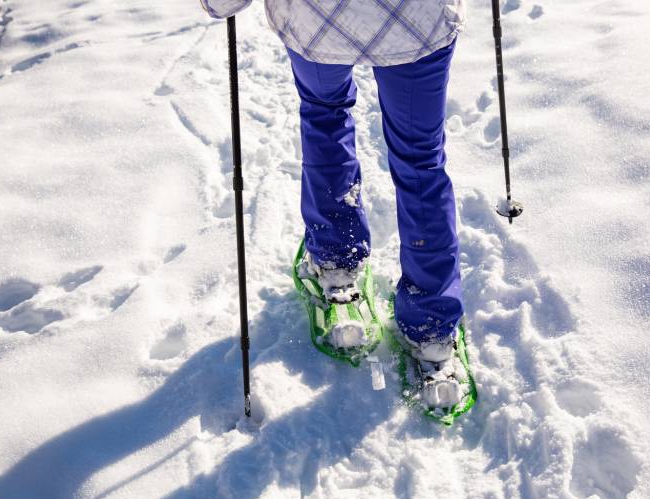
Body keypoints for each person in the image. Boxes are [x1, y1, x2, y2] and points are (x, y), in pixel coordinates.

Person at [200, 0, 468, 407]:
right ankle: (431, 327)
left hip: (318, 18)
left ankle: (337, 266)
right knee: (420, 160)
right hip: (418, 19)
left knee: (326, 116)